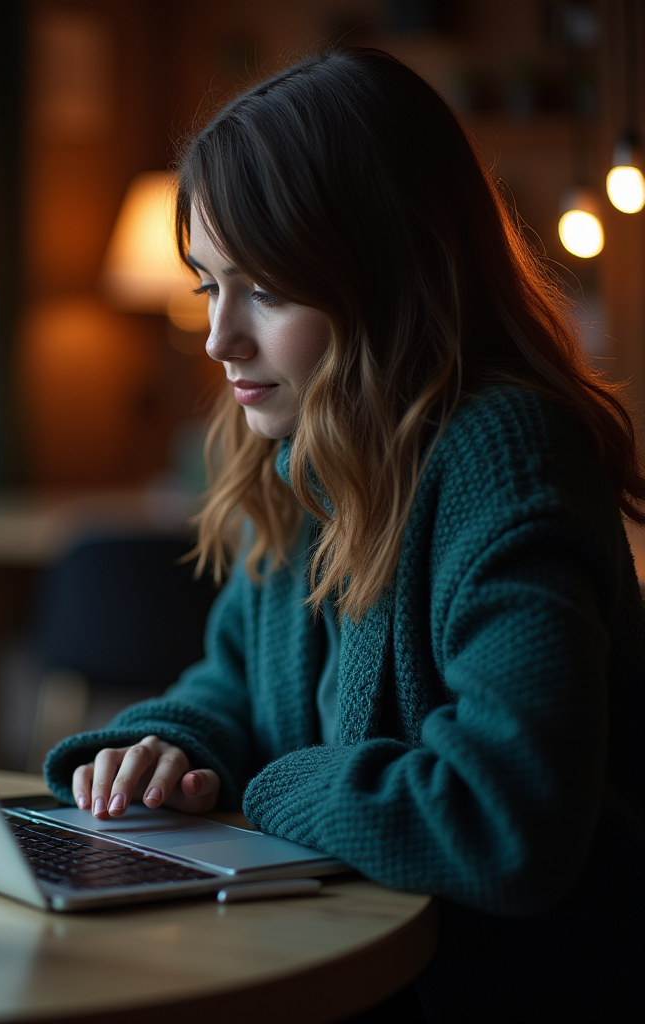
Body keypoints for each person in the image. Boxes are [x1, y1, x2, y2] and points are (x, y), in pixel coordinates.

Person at [42, 47, 644, 1023]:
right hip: (358, 959)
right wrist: (169, 743)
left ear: (391, 274)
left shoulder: (503, 451)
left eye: (266, 290)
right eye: (208, 285)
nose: (218, 337)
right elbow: (231, 677)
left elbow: (504, 819)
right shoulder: (297, 453)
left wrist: (274, 781)